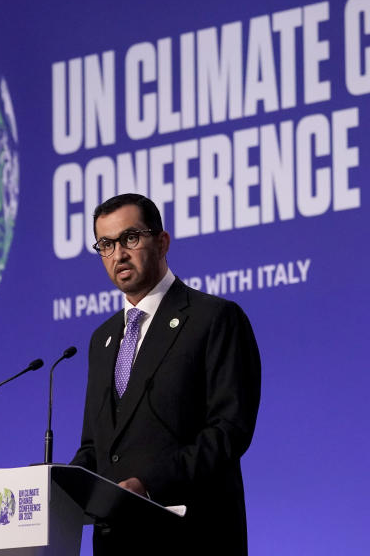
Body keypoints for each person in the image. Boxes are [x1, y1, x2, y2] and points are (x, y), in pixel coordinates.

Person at [71, 193, 261, 555]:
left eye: (130, 238)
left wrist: (150, 484)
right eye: (106, 245)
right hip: (117, 544)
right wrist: (59, 486)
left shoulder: (213, 319)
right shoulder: (103, 340)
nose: (119, 254)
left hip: (191, 536)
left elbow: (228, 432)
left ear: (162, 242)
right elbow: (95, 446)